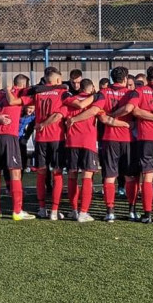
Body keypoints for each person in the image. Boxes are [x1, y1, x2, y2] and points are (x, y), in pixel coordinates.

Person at [116, 66, 153, 223]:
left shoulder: (139, 91)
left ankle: (147, 214)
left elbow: (134, 110)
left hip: (146, 138)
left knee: (147, 176)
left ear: (147, 78)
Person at [61, 79, 112, 222]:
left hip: (71, 142)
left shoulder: (71, 100)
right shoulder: (95, 101)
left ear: (80, 88)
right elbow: (103, 118)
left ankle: (74, 210)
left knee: (72, 176)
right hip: (88, 142)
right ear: (92, 88)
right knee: (87, 177)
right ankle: (83, 212)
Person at [0, 72, 31, 221]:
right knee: (15, 172)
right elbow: (12, 101)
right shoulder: (20, 94)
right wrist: (8, 90)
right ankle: (17, 211)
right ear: (24, 85)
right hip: (9, 135)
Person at [27, 67, 71, 218]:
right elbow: (59, 115)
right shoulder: (62, 93)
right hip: (57, 138)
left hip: (41, 139)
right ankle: (54, 210)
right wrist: (44, 124)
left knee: (41, 174)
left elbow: (23, 100)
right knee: (57, 173)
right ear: (57, 80)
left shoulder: (38, 93)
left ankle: (41, 208)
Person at [95, 66, 136, 223]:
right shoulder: (131, 93)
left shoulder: (103, 93)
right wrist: (125, 124)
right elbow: (133, 110)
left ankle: (110, 212)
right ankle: (131, 211)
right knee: (130, 176)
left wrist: (111, 117)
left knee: (110, 176)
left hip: (109, 138)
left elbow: (102, 117)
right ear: (125, 79)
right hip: (128, 139)